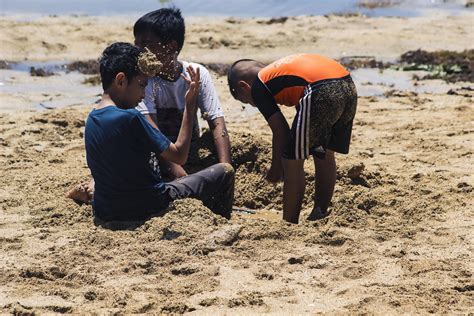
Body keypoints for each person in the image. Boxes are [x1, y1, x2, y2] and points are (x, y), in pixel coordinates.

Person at [83, 42, 234, 222]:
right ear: (121, 80)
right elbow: (179, 156)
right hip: (148, 205)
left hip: (105, 210)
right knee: (224, 171)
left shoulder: (92, 118)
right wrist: (190, 105)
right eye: (141, 85)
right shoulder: (131, 117)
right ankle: (218, 220)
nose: (143, 94)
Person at [227, 54, 357, 224]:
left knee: (291, 160)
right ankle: (319, 211)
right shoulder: (279, 72)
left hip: (320, 89)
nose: (255, 104)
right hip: (347, 85)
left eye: (249, 102)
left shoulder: (259, 85)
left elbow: (281, 131)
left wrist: (276, 169)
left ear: (244, 87)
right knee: (323, 153)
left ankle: (289, 223)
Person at [133, 7, 231, 179]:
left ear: (171, 47)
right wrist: (181, 177)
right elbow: (153, 135)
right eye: (137, 44)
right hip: (157, 154)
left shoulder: (196, 73)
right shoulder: (144, 80)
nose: (139, 51)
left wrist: (226, 169)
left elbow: (216, 123)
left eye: (147, 44)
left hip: (188, 150)